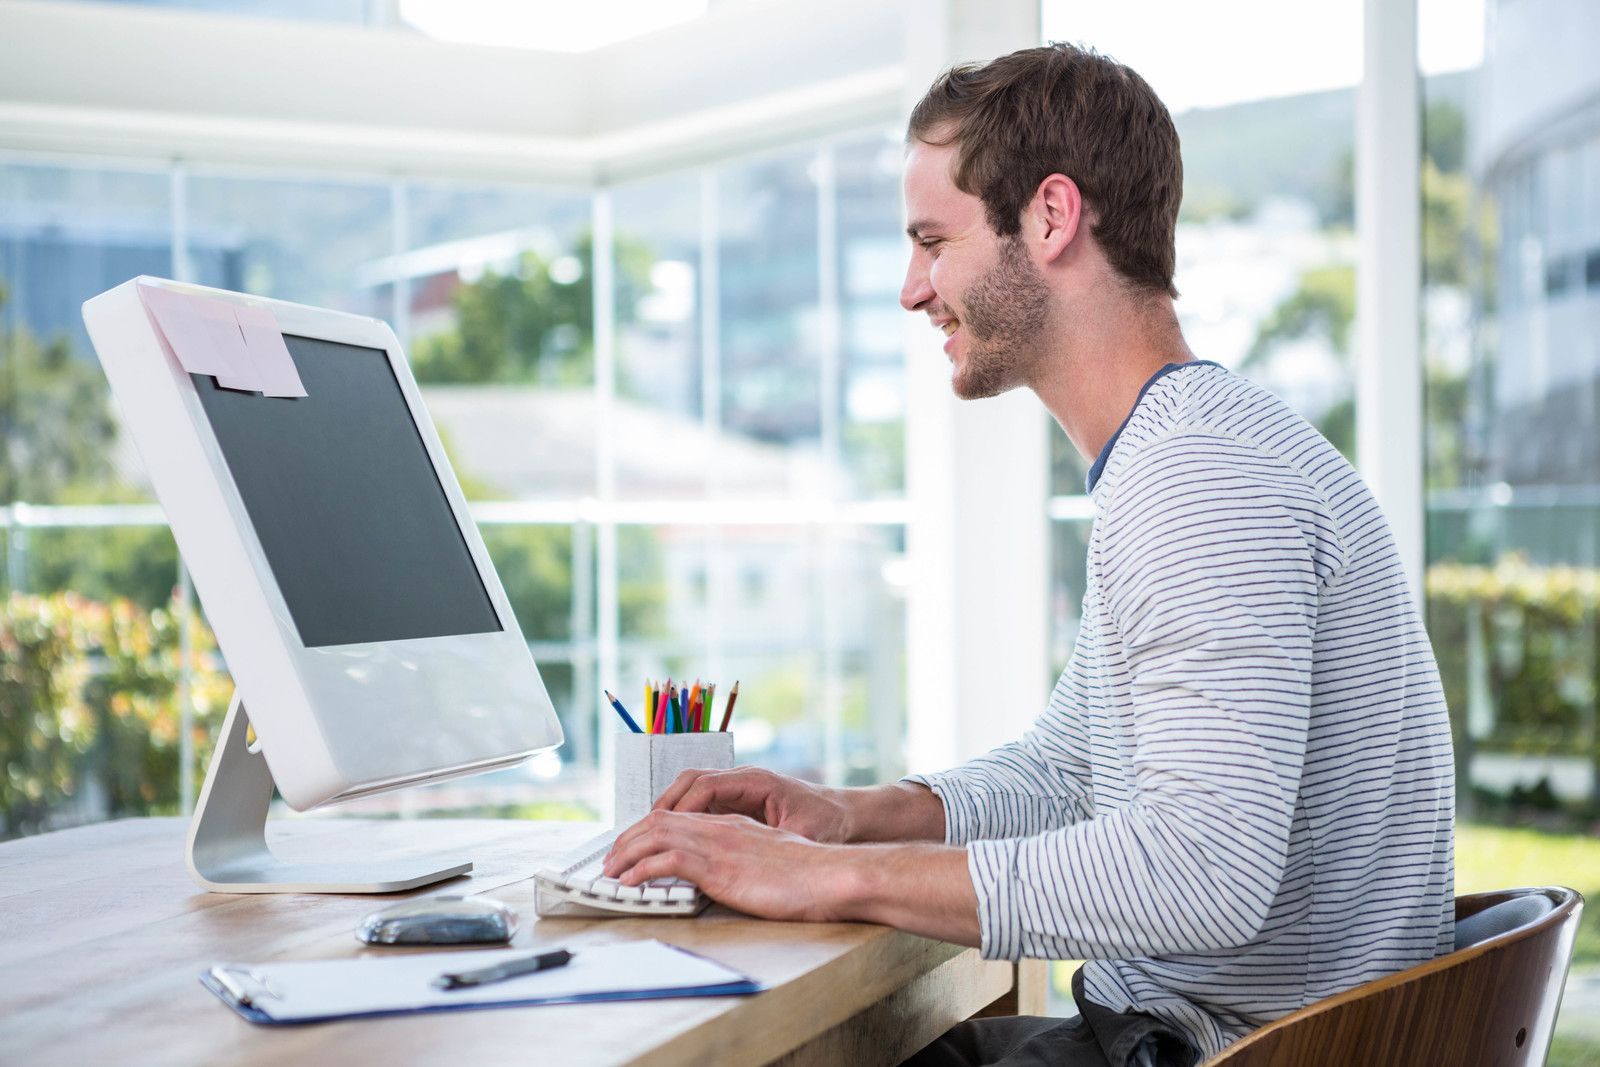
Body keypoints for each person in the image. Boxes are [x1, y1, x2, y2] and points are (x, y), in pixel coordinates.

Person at [602, 42, 1455, 1067]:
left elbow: (1201, 869)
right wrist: (851, 817)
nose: (912, 289)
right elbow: (1073, 772)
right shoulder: (1180, 449)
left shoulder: (1200, 478)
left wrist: (821, 877)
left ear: (1050, 217)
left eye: (931, 240)